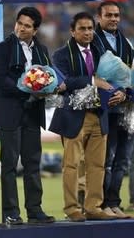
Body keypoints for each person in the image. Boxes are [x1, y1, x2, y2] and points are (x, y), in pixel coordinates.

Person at [0, 6, 55, 225]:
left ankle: (35, 210)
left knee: (33, 162)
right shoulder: (2, 48)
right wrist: (25, 88)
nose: (21, 29)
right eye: (19, 23)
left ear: (35, 30)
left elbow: (48, 75)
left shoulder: (43, 51)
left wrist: (49, 86)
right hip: (9, 111)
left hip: (32, 112)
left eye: (27, 26)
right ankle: (10, 212)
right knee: (9, 164)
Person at [49, 12, 116, 222]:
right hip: (74, 116)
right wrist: (92, 80)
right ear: (72, 31)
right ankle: (71, 208)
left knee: (97, 165)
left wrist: (121, 90)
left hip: (99, 115)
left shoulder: (101, 52)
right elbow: (64, 82)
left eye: (90, 29)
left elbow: (113, 78)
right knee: (71, 164)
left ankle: (94, 207)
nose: (87, 33)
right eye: (82, 29)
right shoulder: (60, 55)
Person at [93, 1, 132, 219]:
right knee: (106, 159)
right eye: (109, 15)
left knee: (123, 159)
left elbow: (130, 74)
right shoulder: (93, 40)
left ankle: (115, 202)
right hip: (104, 107)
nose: (114, 18)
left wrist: (125, 92)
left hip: (126, 107)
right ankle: (103, 203)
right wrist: (111, 92)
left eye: (116, 15)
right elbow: (91, 74)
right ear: (99, 17)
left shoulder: (125, 42)